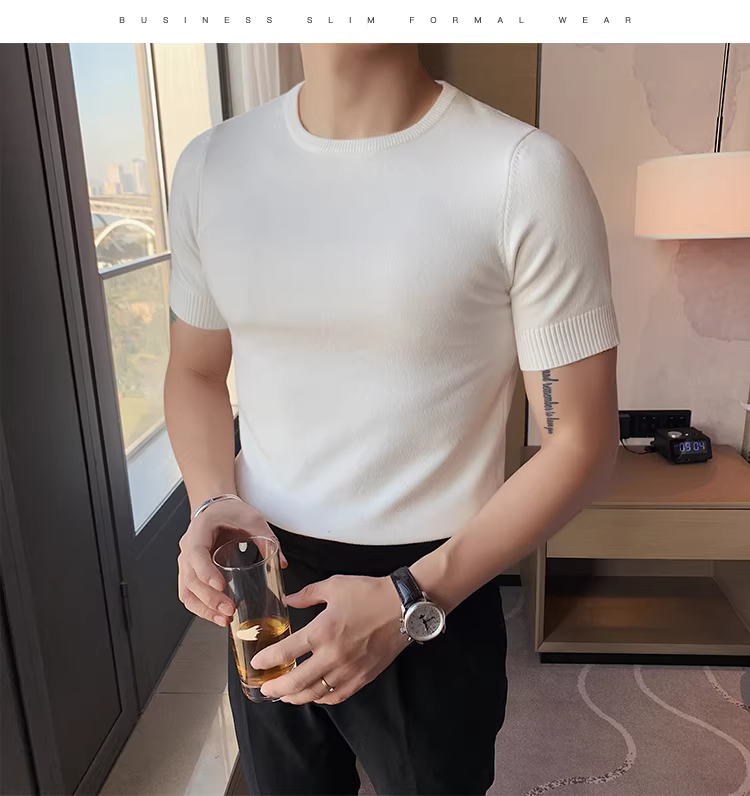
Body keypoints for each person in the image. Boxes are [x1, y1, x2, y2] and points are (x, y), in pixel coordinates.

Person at [164, 43, 620, 796]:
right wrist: (210, 497)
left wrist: (413, 595)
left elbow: (583, 443)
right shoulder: (211, 166)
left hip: (435, 577)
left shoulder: (523, 172)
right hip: (266, 568)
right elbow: (195, 371)